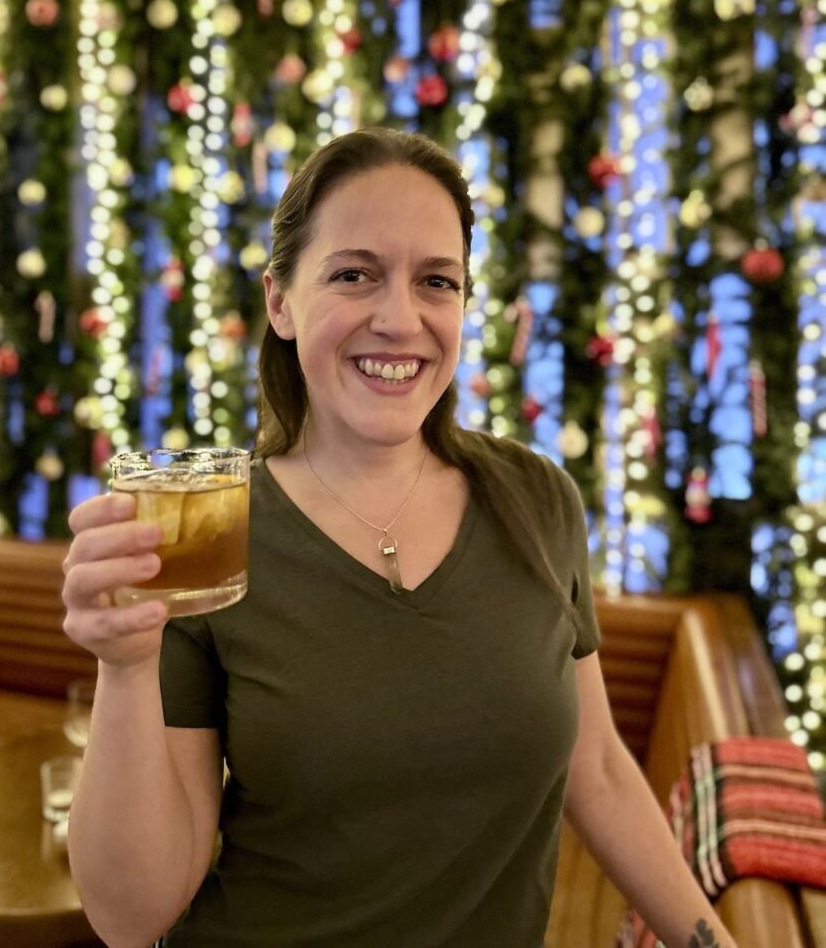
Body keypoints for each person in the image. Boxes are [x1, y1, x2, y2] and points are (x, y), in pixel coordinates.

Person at [63, 127, 740, 948]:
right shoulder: (213, 528)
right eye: (354, 275)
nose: (399, 318)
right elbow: (132, 918)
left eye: (436, 282)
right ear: (280, 301)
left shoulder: (536, 501)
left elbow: (594, 769)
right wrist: (126, 669)